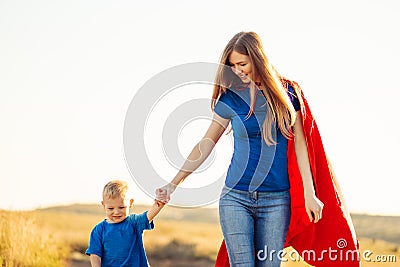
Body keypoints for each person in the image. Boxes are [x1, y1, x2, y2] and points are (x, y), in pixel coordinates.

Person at [156, 31, 324, 266]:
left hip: (277, 200)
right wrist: (173, 183)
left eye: (242, 64)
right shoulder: (231, 98)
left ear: (258, 59)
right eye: (232, 65)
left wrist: (310, 192)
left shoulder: (289, 93)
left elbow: (301, 145)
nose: (237, 70)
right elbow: (205, 144)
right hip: (235, 198)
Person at [86, 180, 164, 267]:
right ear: (104, 205)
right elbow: (95, 254)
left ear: (130, 203)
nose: (116, 212)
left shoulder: (134, 222)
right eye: (111, 208)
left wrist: (160, 201)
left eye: (121, 207)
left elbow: (150, 215)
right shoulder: (99, 230)